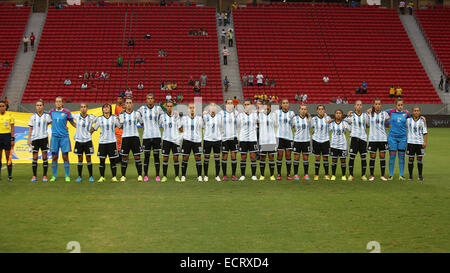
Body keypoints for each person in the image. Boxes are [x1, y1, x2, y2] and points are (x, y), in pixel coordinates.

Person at [137, 94, 164, 182]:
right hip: (146, 136)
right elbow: (136, 115)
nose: (150, 100)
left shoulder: (158, 109)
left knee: (156, 156)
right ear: (146, 100)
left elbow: (162, 117)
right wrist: (142, 123)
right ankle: (146, 175)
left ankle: (157, 175)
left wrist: (159, 124)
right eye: (148, 99)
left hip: (156, 136)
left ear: (154, 100)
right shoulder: (142, 108)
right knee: (146, 157)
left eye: (151, 98)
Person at [49, 97, 76, 182]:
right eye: (56, 101)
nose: (58, 103)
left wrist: (80, 128)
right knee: (54, 157)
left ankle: (67, 176)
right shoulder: (51, 112)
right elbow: (47, 121)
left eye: (60, 101)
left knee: (65, 156)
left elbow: (72, 122)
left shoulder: (67, 112)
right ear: (55, 103)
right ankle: (54, 176)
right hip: (54, 137)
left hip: (64, 137)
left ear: (62, 103)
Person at [91, 103, 120, 182]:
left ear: (110, 109)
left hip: (112, 142)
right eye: (104, 107)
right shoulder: (100, 119)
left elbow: (120, 126)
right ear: (102, 109)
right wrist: (86, 133)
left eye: (108, 107)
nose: (106, 109)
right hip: (102, 143)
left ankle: (114, 177)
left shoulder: (114, 118)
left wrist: (120, 118)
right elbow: (94, 129)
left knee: (113, 161)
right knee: (102, 161)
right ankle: (102, 177)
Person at [117, 97, 144, 182]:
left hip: (135, 137)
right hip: (125, 138)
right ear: (125, 105)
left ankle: (140, 175)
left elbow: (142, 124)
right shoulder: (121, 114)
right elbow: (120, 126)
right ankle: (123, 176)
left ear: (132, 104)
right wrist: (117, 119)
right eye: (127, 103)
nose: (128, 104)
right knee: (124, 157)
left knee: (137, 157)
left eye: (130, 103)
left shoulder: (137, 114)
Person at [385, 98, 410, 180]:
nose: (400, 106)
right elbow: (380, 113)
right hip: (392, 137)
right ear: (395, 105)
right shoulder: (390, 112)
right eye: (398, 105)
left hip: (402, 137)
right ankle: (391, 175)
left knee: (401, 156)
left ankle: (401, 175)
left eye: (401, 105)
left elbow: (413, 120)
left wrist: (422, 117)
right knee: (392, 156)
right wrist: (371, 109)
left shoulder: (406, 113)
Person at [28, 100, 52, 182]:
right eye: (37, 105)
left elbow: (53, 124)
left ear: (43, 106)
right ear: (35, 107)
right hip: (35, 139)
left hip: (44, 138)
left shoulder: (47, 116)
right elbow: (30, 128)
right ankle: (34, 176)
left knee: (44, 157)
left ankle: (44, 176)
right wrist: (29, 139)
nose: (39, 107)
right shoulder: (33, 117)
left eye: (40, 105)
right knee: (35, 157)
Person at [345, 100, 369, 181]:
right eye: (357, 105)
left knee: (363, 157)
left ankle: (363, 175)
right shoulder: (351, 116)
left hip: (363, 139)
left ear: (362, 106)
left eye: (360, 105)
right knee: (352, 157)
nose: (359, 106)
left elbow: (369, 123)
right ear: (355, 106)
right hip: (354, 138)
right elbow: (344, 122)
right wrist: (349, 129)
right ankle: (351, 175)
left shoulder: (365, 116)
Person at [179, 104, 204, 182]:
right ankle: (183, 176)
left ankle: (199, 176)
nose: (192, 109)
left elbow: (203, 127)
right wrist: (184, 131)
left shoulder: (199, 118)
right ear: (188, 109)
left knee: (198, 158)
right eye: (190, 108)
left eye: (193, 108)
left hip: (197, 141)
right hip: (187, 140)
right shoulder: (184, 118)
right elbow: (180, 127)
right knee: (185, 158)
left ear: (195, 109)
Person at [367, 98, 390, 181]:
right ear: (373, 105)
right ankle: (371, 175)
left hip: (383, 138)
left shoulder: (385, 114)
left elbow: (392, 119)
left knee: (382, 156)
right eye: (376, 104)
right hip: (372, 139)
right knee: (372, 156)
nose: (377, 105)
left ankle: (383, 175)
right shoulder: (369, 113)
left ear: (381, 105)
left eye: (379, 104)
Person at [72, 103, 96, 182]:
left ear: (87, 108)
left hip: (88, 140)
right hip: (79, 140)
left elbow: (100, 120)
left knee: (88, 158)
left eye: (84, 107)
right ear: (80, 108)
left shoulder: (91, 117)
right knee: (80, 159)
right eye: (81, 107)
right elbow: (67, 117)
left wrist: (93, 128)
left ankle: (91, 176)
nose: (83, 108)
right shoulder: (76, 116)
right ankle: (79, 176)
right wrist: (73, 124)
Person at [159, 101, 181, 182]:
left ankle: (177, 176)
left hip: (175, 140)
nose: (169, 107)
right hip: (166, 140)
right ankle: (164, 176)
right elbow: (158, 125)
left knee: (176, 158)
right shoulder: (162, 117)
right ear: (165, 107)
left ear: (173, 107)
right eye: (168, 106)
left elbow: (180, 128)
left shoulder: (176, 116)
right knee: (165, 158)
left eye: (171, 106)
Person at [237, 99, 259, 181]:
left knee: (253, 157)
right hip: (243, 139)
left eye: (248, 104)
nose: (247, 106)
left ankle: (253, 175)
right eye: (245, 104)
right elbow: (237, 125)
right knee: (243, 157)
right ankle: (243, 175)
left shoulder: (255, 115)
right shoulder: (240, 115)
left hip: (253, 139)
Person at [275, 99, 296, 180]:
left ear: (289, 104)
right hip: (279, 137)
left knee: (288, 156)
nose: (285, 104)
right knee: (279, 155)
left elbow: (293, 125)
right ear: (281, 105)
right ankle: (279, 174)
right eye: (284, 103)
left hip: (289, 137)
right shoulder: (277, 113)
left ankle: (288, 174)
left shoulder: (292, 113)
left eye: (287, 103)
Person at [258, 101, 278, 180]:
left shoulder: (274, 115)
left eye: (268, 107)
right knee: (262, 157)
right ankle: (262, 175)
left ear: (270, 107)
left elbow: (276, 125)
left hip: (271, 140)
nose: (266, 108)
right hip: (263, 140)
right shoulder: (260, 115)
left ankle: (272, 175)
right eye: (265, 107)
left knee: (271, 157)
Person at [203, 103, 222, 182]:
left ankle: (217, 175)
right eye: (211, 105)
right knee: (206, 158)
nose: (213, 107)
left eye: (214, 106)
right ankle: (206, 175)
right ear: (209, 108)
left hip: (217, 140)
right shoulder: (205, 116)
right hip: (207, 140)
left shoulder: (219, 116)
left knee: (217, 158)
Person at [220, 99, 239, 180]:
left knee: (233, 156)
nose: (230, 104)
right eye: (228, 103)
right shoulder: (221, 113)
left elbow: (239, 125)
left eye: (231, 103)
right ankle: (224, 175)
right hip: (224, 138)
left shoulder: (236, 113)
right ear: (225, 104)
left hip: (234, 137)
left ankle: (233, 175)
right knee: (224, 156)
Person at [311, 105, 331, 180]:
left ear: (324, 110)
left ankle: (326, 174)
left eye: (322, 109)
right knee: (317, 158)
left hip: (325, 140)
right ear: (317, 111)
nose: (321, 110)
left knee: (325, 158)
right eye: (319, 109)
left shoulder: (327, 118)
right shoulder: (314, 119)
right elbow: (309, 126)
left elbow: (330, 127)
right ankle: (316, 174)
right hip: (316, 140)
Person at [406, 107, 427, 181]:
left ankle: (420, 175)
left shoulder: (422, 121)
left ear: (420, 112)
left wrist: (425, 142)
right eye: (415, 111)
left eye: (418, 111)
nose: (416, 112)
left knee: (419, 159)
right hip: (410, 143)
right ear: (412, 112)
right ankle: (410, 176)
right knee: (411, 159)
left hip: (420, 143)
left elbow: (425, 132)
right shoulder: (408, 120)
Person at [292, 104, 311, 180]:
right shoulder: (295, 118)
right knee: (296, 157)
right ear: (299, 110)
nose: (303, 110)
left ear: (306, 110)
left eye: (305, 109)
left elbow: (313, 127)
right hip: (297, 140)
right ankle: (296, 174)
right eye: (302, 109)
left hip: (306, 140)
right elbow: (291, 126)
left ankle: (306, 174)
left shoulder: (309, 119)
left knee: (305, 157)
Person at [329, 109, 349, 181]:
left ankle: (343, 175)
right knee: (334, 160)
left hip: (343, 145)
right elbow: (325, 130)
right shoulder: (331, 124)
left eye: (340, 113)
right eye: (337, 113)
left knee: (343, 160)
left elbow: (351, 129)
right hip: (334, 144)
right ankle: (333, 175)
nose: (338, 114)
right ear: (335, 115)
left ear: (342, 115)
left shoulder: (345, 123)